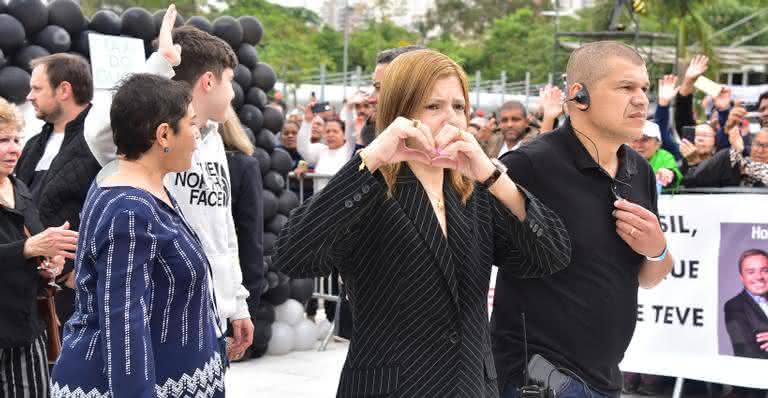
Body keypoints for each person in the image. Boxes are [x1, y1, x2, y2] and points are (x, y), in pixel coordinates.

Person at [274, 49, 571, 398]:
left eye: (459, 107)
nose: (452, 119)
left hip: (472, 386)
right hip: (392, 387)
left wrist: (494, 176)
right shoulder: (369, 186)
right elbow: (293, 255)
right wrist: (371, 158)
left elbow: (551, 255)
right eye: (434, 106)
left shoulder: (476, 189)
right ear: (401, 112)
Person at [494, 41, 674, 398]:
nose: (641, 99)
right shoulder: (530, 165)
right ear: (579, 95)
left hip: (606, 378)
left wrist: (657, 248)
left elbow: (648, 277)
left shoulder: (639, 170)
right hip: (538, 378)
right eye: (626, 87)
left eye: (644, 88)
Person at [84, 6, 253, 358]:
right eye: (230, 81)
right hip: (164, 317)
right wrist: (160, 65)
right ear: (208, 80)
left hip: (212, 315)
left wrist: (236, 302)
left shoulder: (214, 139)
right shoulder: (156, 137)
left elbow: (222, 226)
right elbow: (100, 131)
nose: (234, 94)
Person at [50, 73, 224, 398]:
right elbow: (124, 325)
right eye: (192, 124)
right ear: (163, 135)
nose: (197, 135)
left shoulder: (138, 183)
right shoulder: (129, 210)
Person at [13, 53, 99, 326]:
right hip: (29, 283)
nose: (29, 96)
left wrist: (83, 270)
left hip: (75, 290)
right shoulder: (32, 145)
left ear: (64, 89)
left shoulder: (99, 143)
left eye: (37, 88)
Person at [0, 96, 73, 397]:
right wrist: (27, 248)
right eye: (3, 139)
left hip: (26, 329)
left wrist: (51, 264)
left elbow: (35, 243)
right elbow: (27, 246)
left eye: (16, 138)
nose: (15, 148)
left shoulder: (19, 187)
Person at [219, 107, 265, 360]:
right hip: (228, 284)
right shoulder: (245, 165)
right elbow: (251, 241)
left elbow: (249, 239)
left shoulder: (243, 165)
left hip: (228, 283)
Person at [359, 45, 427, 146]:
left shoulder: (449, 148)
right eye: (375, 87)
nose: (370, 99)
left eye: (381, 88)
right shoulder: (373, 132)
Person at [682, 128, 768, 188]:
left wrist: (737, 152)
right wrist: (694, 164)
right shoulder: (736, 160)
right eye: (757, 144)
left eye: (767, 146)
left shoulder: (737, 161)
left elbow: (760, 172)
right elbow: (699, 179)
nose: (760, 150)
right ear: (751, 145)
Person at [297, 112, 355, 193]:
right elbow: (302, 148)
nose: (330, 134)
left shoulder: (349, 150)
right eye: (327, 131)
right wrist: (307, 121)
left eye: (335, 131)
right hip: (320, 201)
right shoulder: (320, 150)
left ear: (344, 134)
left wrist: (349, 108)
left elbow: (351, 129)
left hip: (341, 201)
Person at [629, 121, 682, 193]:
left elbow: (673, 176)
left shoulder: (664, 156)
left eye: (644, 140)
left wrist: (668, 174)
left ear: (658, 144)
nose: (638, 145)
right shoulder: (621, 157)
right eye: (634, 139)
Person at [277, 120, 313, 200]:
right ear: (280, 137)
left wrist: (306, 169)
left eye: (294, 133)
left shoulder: (308, 153)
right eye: (286, 133)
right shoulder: (275, 154)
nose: (290, 136)